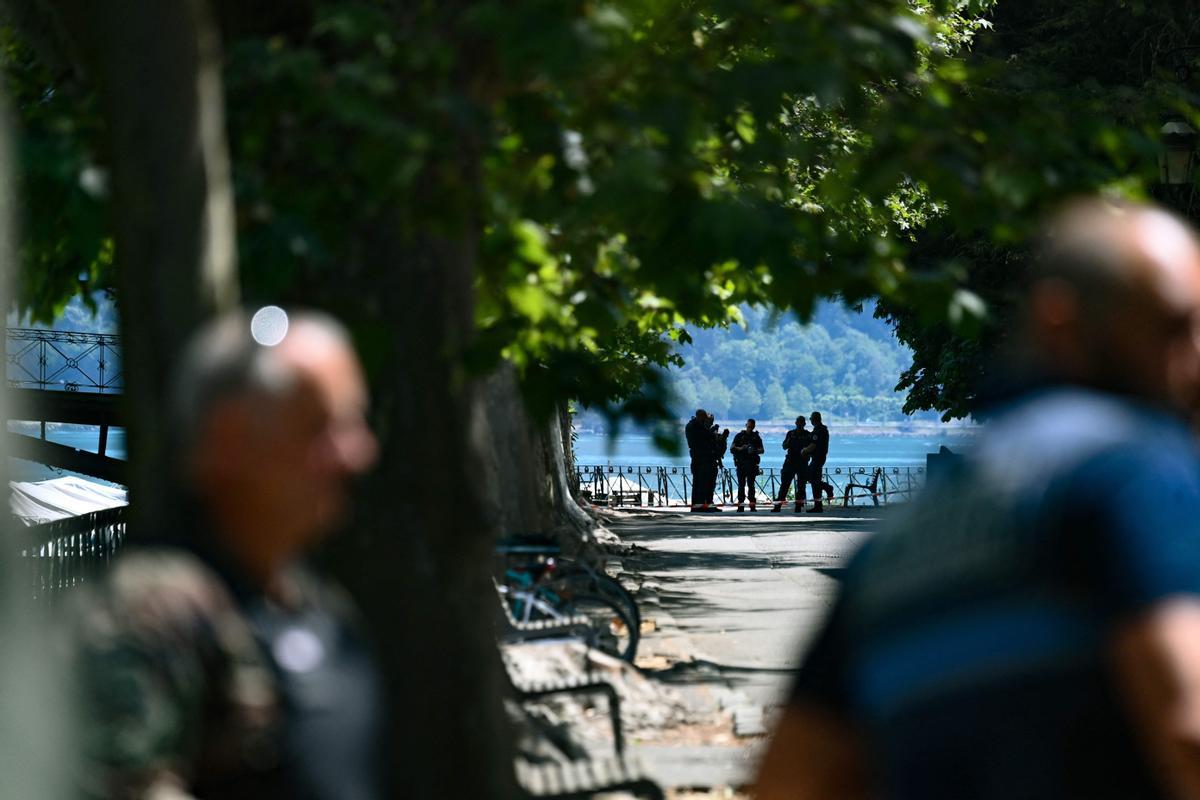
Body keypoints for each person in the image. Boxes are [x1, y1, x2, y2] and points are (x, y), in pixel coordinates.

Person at [755, 199, 1200, 800]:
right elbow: (1186, 725)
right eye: (1172, 327)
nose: (1194, 360)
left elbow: (790, 778)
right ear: (1060, 322)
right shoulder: (1124, 471)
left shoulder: (895, 544)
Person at [71, 310, 382, 800]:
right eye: (322, 426)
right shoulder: (155, 614)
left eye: (354, 423)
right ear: (227, 439)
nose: (358, 453)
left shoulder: (321, 607)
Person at [772, 415, 810, 513]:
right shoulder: (790, 434)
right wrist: (789, 441)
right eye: (798, 422)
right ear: (796, 423)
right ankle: (778, 506)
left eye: (801, 422)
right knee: (785, 484)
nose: (800, 424)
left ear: (804, 424)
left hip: (802, 462)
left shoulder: (807, 435)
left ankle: (798, 506)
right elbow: (784, 446)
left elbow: (811, 449)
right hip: (791, 461)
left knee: (801, 485)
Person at [801, 410, 832, 513]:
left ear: (813, 420)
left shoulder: (819, 430)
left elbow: (813, 445)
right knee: (813, 479)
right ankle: (820, 502)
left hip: (818, 458)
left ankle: (820, 502)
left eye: (811, 419)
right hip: (818, 458)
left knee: (813, 480)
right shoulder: (821, 429)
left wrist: (805, 450)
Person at [732, 419, 765, 512]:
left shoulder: (756, 437)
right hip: (741, 464)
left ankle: (752, 505)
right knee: (741, 485)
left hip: (751, 464)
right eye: (749, 426)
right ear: (746, 425)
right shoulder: (739, 436)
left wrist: (754, 450)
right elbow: (732, 448)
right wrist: (741, 448)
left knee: (751, 485)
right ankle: (740, 505)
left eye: (752, 426)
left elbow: (762, 450)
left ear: (754, 426)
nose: (750, 428)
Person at [685, 408, 712, 512]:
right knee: (700, 483)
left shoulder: (694, 425)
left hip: (700, 457)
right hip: (699, 457)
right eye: (704, 418)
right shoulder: (694, 426)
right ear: (700, 416)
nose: (705, 420)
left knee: (700, 483)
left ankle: (699, 505)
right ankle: (698, 505)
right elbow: (704, 437)